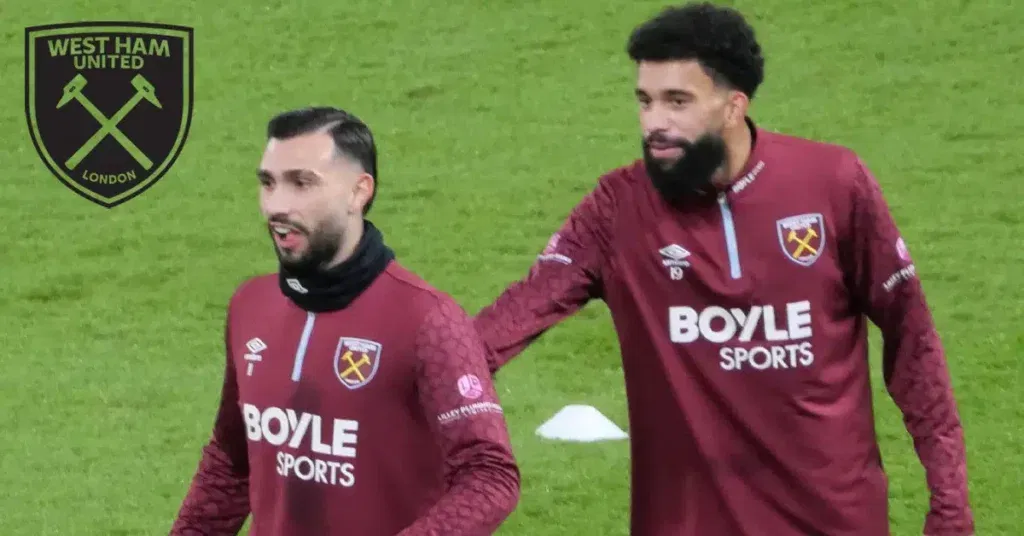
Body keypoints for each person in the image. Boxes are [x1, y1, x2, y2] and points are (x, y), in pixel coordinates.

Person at [473, 3, 974, 536]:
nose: (654, 122)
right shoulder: (617, 210)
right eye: (644, 101)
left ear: (734, 106)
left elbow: (913, 342)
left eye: (677, 101)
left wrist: (950, 505)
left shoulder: (833, 186)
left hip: (833, 521)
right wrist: (410, 387)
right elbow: (505, 325)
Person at [170, 106, 520, 535]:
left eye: (302, 183)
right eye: (268, 183)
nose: (277, 205)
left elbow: (490, 476)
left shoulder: (428, 320)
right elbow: (232, 460)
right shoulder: (250, 306)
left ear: (359, 192)